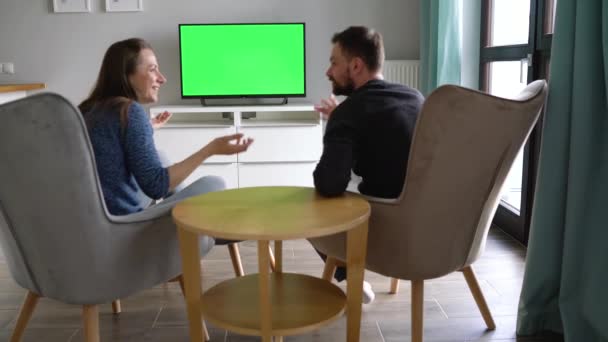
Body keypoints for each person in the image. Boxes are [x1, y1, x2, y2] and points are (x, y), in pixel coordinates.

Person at [79, 38, 253, 216]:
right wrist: (210, 149)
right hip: (125, 225)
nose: (162, 78)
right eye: (152, 69)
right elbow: (157, 186)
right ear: (126, 75)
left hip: (99, 219)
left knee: (160, 156)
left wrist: (147, 128)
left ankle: (196, 217)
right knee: (215, 184)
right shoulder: (129, 111)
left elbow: (110, 145)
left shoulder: (89, 109)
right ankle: (201, 222)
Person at [312, 26, 424, 303]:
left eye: (334, 62)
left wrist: (338, 125)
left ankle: (352, 276)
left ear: (356, 65)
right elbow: (384, 134)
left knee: (309, 206)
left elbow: (330, 183)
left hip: (381, 228)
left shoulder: (349, 113)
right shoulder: (415, 98)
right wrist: (342, 119)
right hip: (426, 223)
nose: (328, 72)